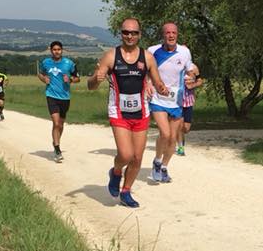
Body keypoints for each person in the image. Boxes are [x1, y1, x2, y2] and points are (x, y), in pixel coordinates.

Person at [87, 18, 168, 208]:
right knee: (125, 154)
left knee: (137, 158)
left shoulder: (147, 57)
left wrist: (161, 88)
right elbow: (91, 86)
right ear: (121, 33)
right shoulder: (110, 56)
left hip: (141, 112)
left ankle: (126, 191)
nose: (130, 36)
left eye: (134, 33)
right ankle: (116, 171)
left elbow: (157, 81)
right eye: (126, 32)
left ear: (139, 34)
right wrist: (96, 78)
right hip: (119, 112)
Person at [147, 22, 196, 182]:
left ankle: (164, 167)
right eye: (168, 32)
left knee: (173, 138)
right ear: (163, 35)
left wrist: (192, 78)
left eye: (174, 32)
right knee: (165, 133)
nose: (171, 35)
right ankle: (157, 161)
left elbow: (190, 70)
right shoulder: (152, 51)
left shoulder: (184, 52)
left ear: (177, 34)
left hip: (176, 100)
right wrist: (147, 83)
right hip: (158, 98)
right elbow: (145, 71)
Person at [38, 41, 80, 163]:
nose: (57, 51)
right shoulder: (46, 62)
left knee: (60, 124)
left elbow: (78, 78)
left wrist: (70, 79)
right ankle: (57, 150)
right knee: (56, 123)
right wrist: (44, 79)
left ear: (62, 50)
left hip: (65, 97)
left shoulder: (69, 63)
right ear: (51, 50)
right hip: (51, 95)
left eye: (59, 49)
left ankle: (56, 142)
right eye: (54, 49)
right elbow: (40, 74)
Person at [176, 68, 203, 156]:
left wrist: (193, 85)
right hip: (177, 102)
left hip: (188, 102)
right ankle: (180, 147)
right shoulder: (176, 66)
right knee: (179, 125)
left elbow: (200, 81)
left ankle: (178, 136)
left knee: (186, 128)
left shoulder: (193, 67)